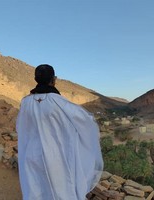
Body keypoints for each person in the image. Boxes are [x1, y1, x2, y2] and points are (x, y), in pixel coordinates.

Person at [16, 64, 103, 200]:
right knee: (60, 191)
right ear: (53, 79)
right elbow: (84, 120)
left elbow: (22, 128)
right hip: (56, 157)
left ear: (36, 79)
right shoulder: (59, 101)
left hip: (31, 155)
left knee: (36, 188)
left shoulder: (25, 102)